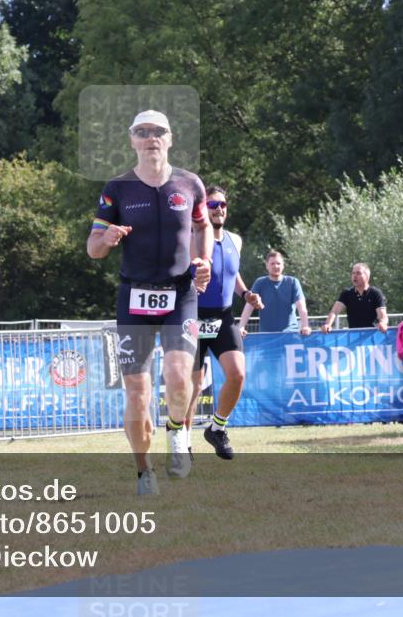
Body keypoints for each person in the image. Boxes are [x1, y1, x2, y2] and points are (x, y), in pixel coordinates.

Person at [87, 109, 212, 495]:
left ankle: (178, 433)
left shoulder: (190, 184)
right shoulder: (117, 188)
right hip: (133, 297)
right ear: (132, 141)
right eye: (142, 132)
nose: (151, 138)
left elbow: (202, 225)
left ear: (170, 138)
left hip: (180, 295)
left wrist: (202, 260)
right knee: (137, 396)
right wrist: (106, 241)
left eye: (158, 132)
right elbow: (93, 248)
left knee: (178, 377)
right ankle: (144, 472)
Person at [185, 187, 262, 461]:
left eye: (223, 204)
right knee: (192, 386)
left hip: (224, 316)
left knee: (238, 374)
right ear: (202, 208)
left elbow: (232, 270)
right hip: (192, 317)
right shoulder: (190, 238)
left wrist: (245, 293)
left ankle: (217, 428)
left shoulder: (235, 240)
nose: (219, 209)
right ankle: (182, 442)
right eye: (213, 204)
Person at [240, 250, 312, 335]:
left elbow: (301, 307)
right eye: (272, 263)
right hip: (266, 336)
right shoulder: (259, 283)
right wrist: (241, 327)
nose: (276, 266)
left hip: (290, 334)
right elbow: (249, 305)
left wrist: (305, 326)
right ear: (267, 265)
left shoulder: (293, 282)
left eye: (278, 263)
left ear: (283, 266)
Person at [321, 263, 388, 333]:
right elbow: (334, 312)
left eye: (358, 273)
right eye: (353, 273)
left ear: (367, 276)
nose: (354, 276)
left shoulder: (376, 293)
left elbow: (383, 316)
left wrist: (383, 323)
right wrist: (327, 324)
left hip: (371, 337)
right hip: (353, 337)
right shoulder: (346, 293)